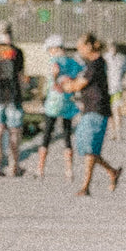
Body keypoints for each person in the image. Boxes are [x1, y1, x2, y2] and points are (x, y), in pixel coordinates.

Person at [60, 32, 122, 197]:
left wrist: (65, 84)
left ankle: (85, 187)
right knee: (86, 147)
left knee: (89, 148)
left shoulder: (96, 64)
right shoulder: (92, 64)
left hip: (97, 109)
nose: (79, 50)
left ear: (88, 46)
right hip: (90, 109)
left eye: (80, 47)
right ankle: (112, 171)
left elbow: (80, 84)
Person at [36, 34, 80, 180]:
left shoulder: (54, 60)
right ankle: (69, 171)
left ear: (54, 49)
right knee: (67, 135)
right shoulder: (73, 62)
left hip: (53, 103)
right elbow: (82, 71)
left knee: (47, 135)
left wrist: (55, 79)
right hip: (68, 102)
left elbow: (54, 73)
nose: (49, 52)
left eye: (49, 49)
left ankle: (40, 170)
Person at [0, 22, 26, 177]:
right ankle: (13, 167)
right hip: (13, 95)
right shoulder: (17, 52)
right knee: (14, 131)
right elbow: (20, 75)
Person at [105, 40, 126, 140]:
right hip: (107, 87)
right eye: (110, 48)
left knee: (117, 110)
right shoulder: (105, 58)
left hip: (117, 87)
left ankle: (118, 132)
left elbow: (124, 71)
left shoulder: (122, 58)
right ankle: (112, 131)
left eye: (114, 47)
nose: (112, 50)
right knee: (109, 112)